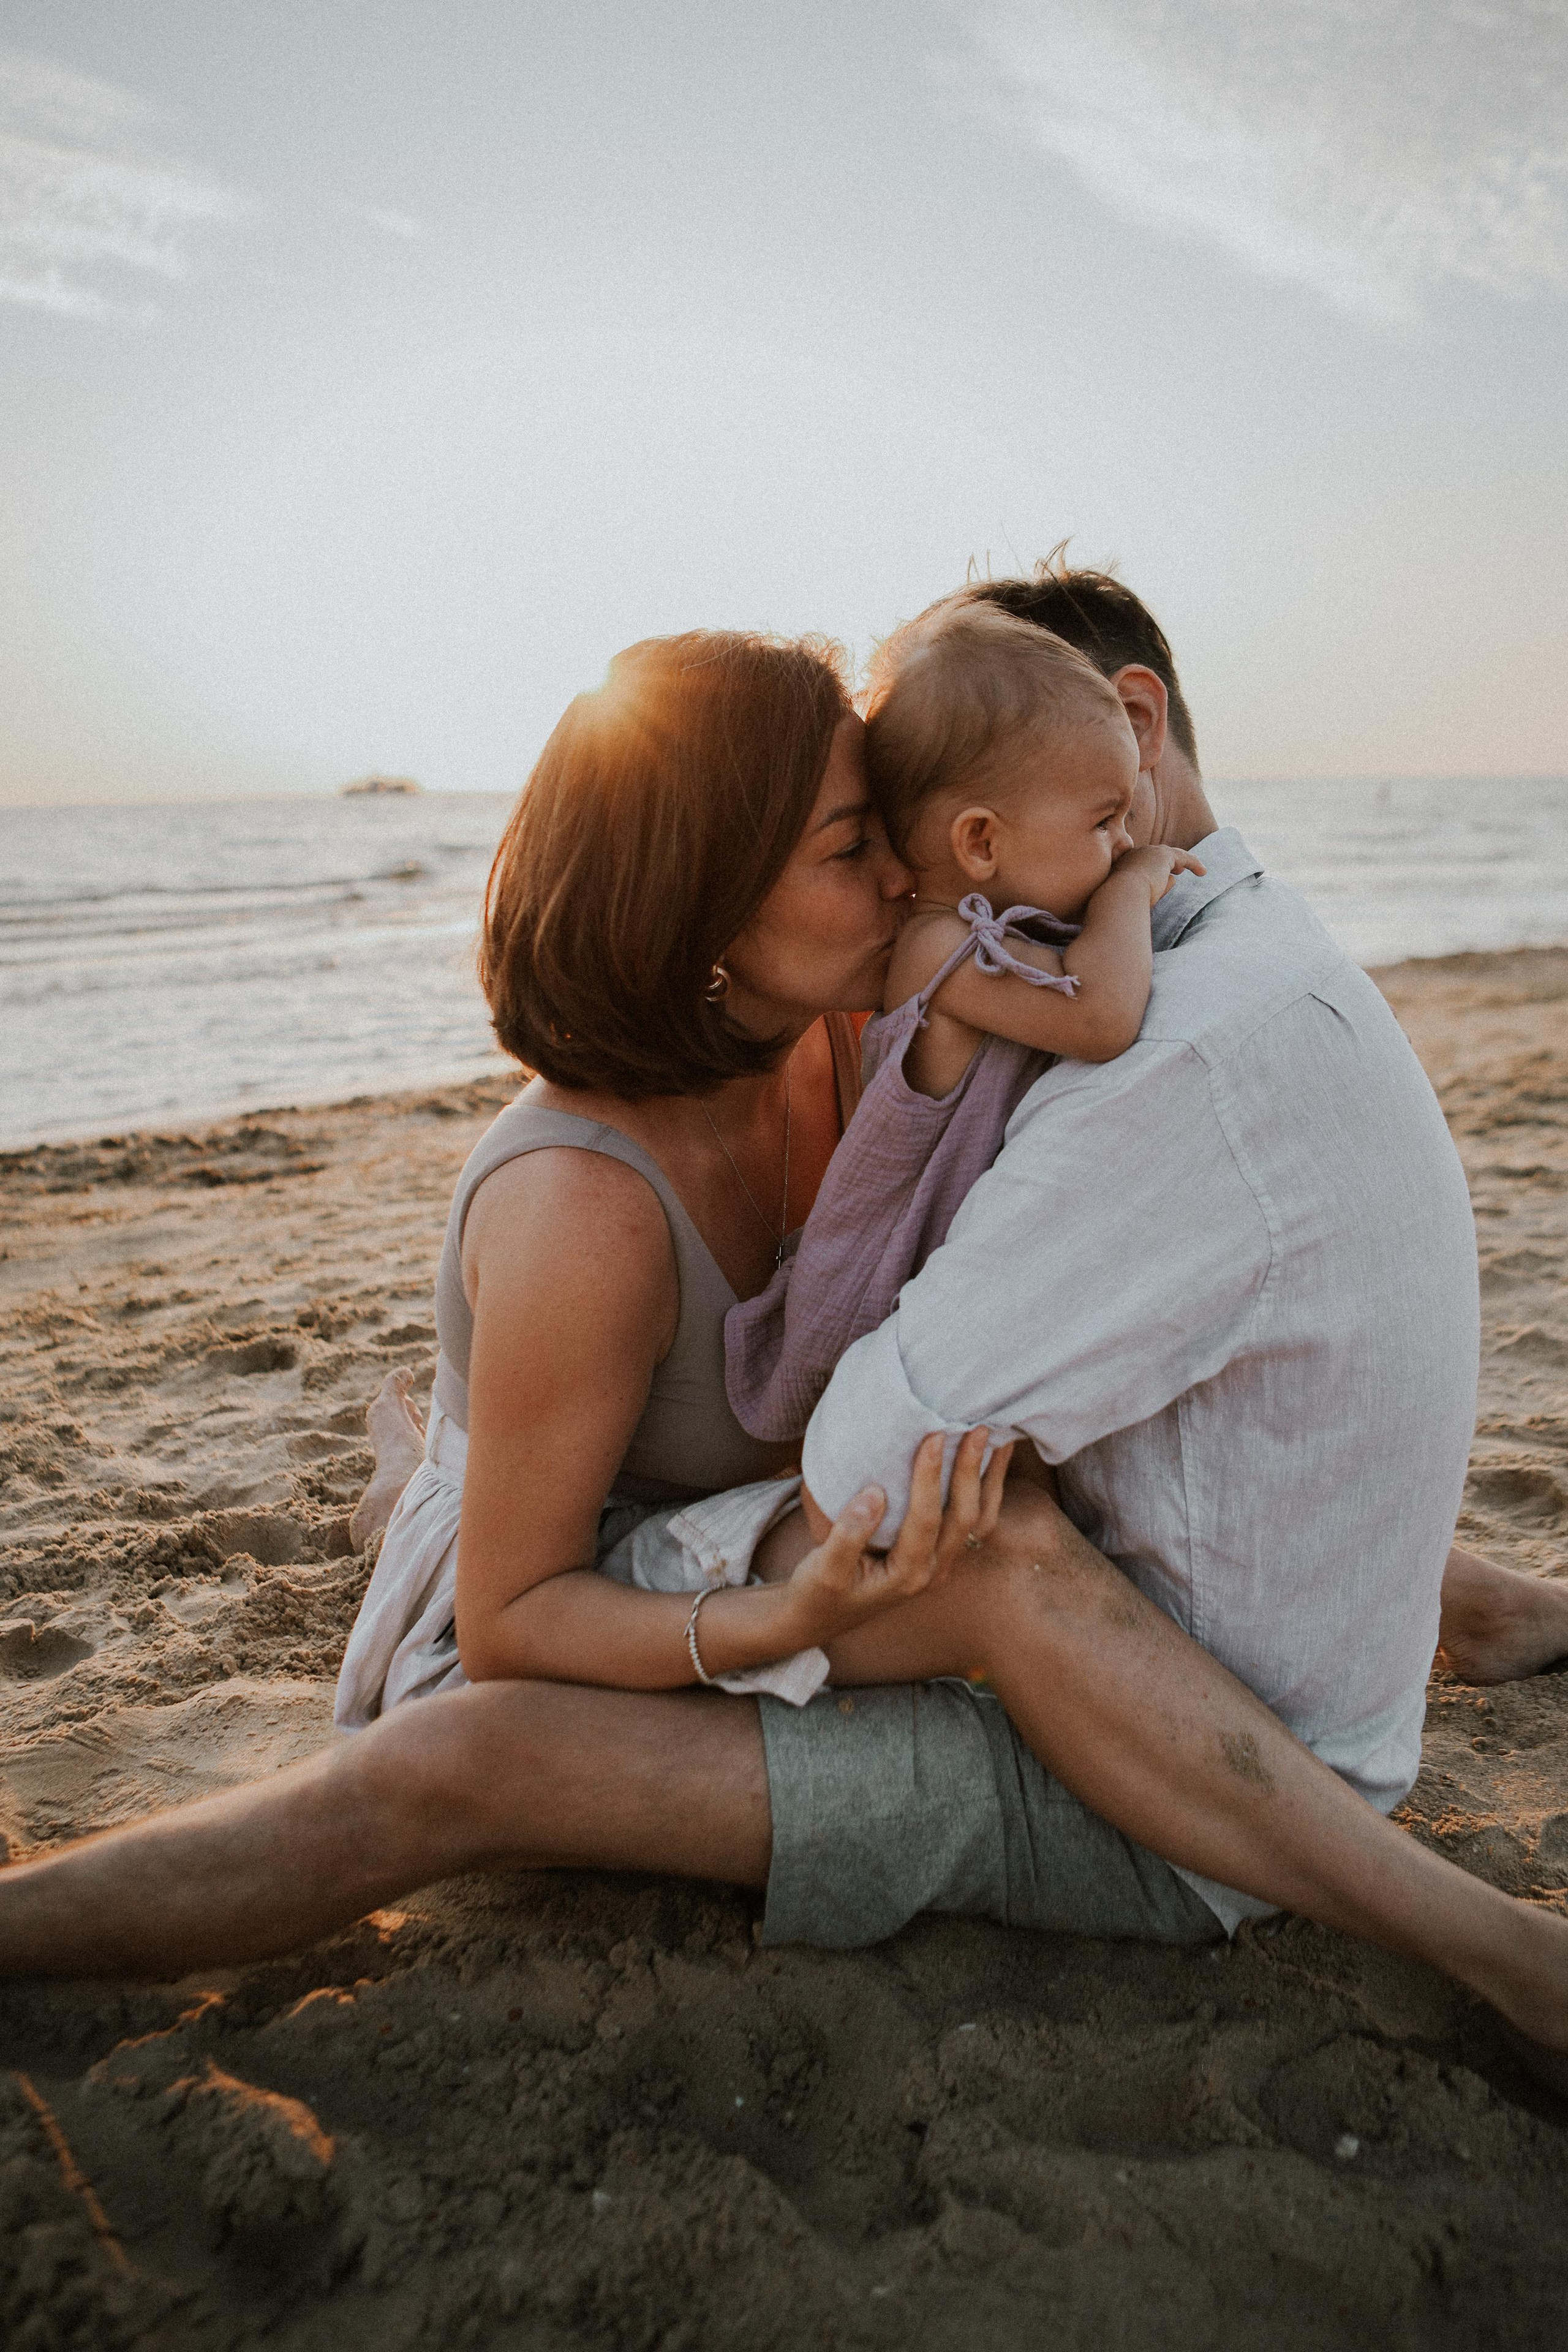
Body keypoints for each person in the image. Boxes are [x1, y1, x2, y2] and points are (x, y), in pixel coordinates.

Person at [2, 601, 1567, 2092]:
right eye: (848, 846)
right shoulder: (581, 1209)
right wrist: (779, 1624)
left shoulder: (854, 1033)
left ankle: (417, 1478)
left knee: (984, 1450)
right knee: (923, 1545)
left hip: (739, 1513)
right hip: (579, 1610)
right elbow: (516, 1622)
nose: (902, 874)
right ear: (701, 898)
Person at [725, 604, 1205, 1444]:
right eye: (1104, 821)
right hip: (873, 1283)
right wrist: (1132, 890)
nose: (1127, 841)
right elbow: (1100, 1017)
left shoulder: (1000, 936)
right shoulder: (936, 948)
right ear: (980, 842)